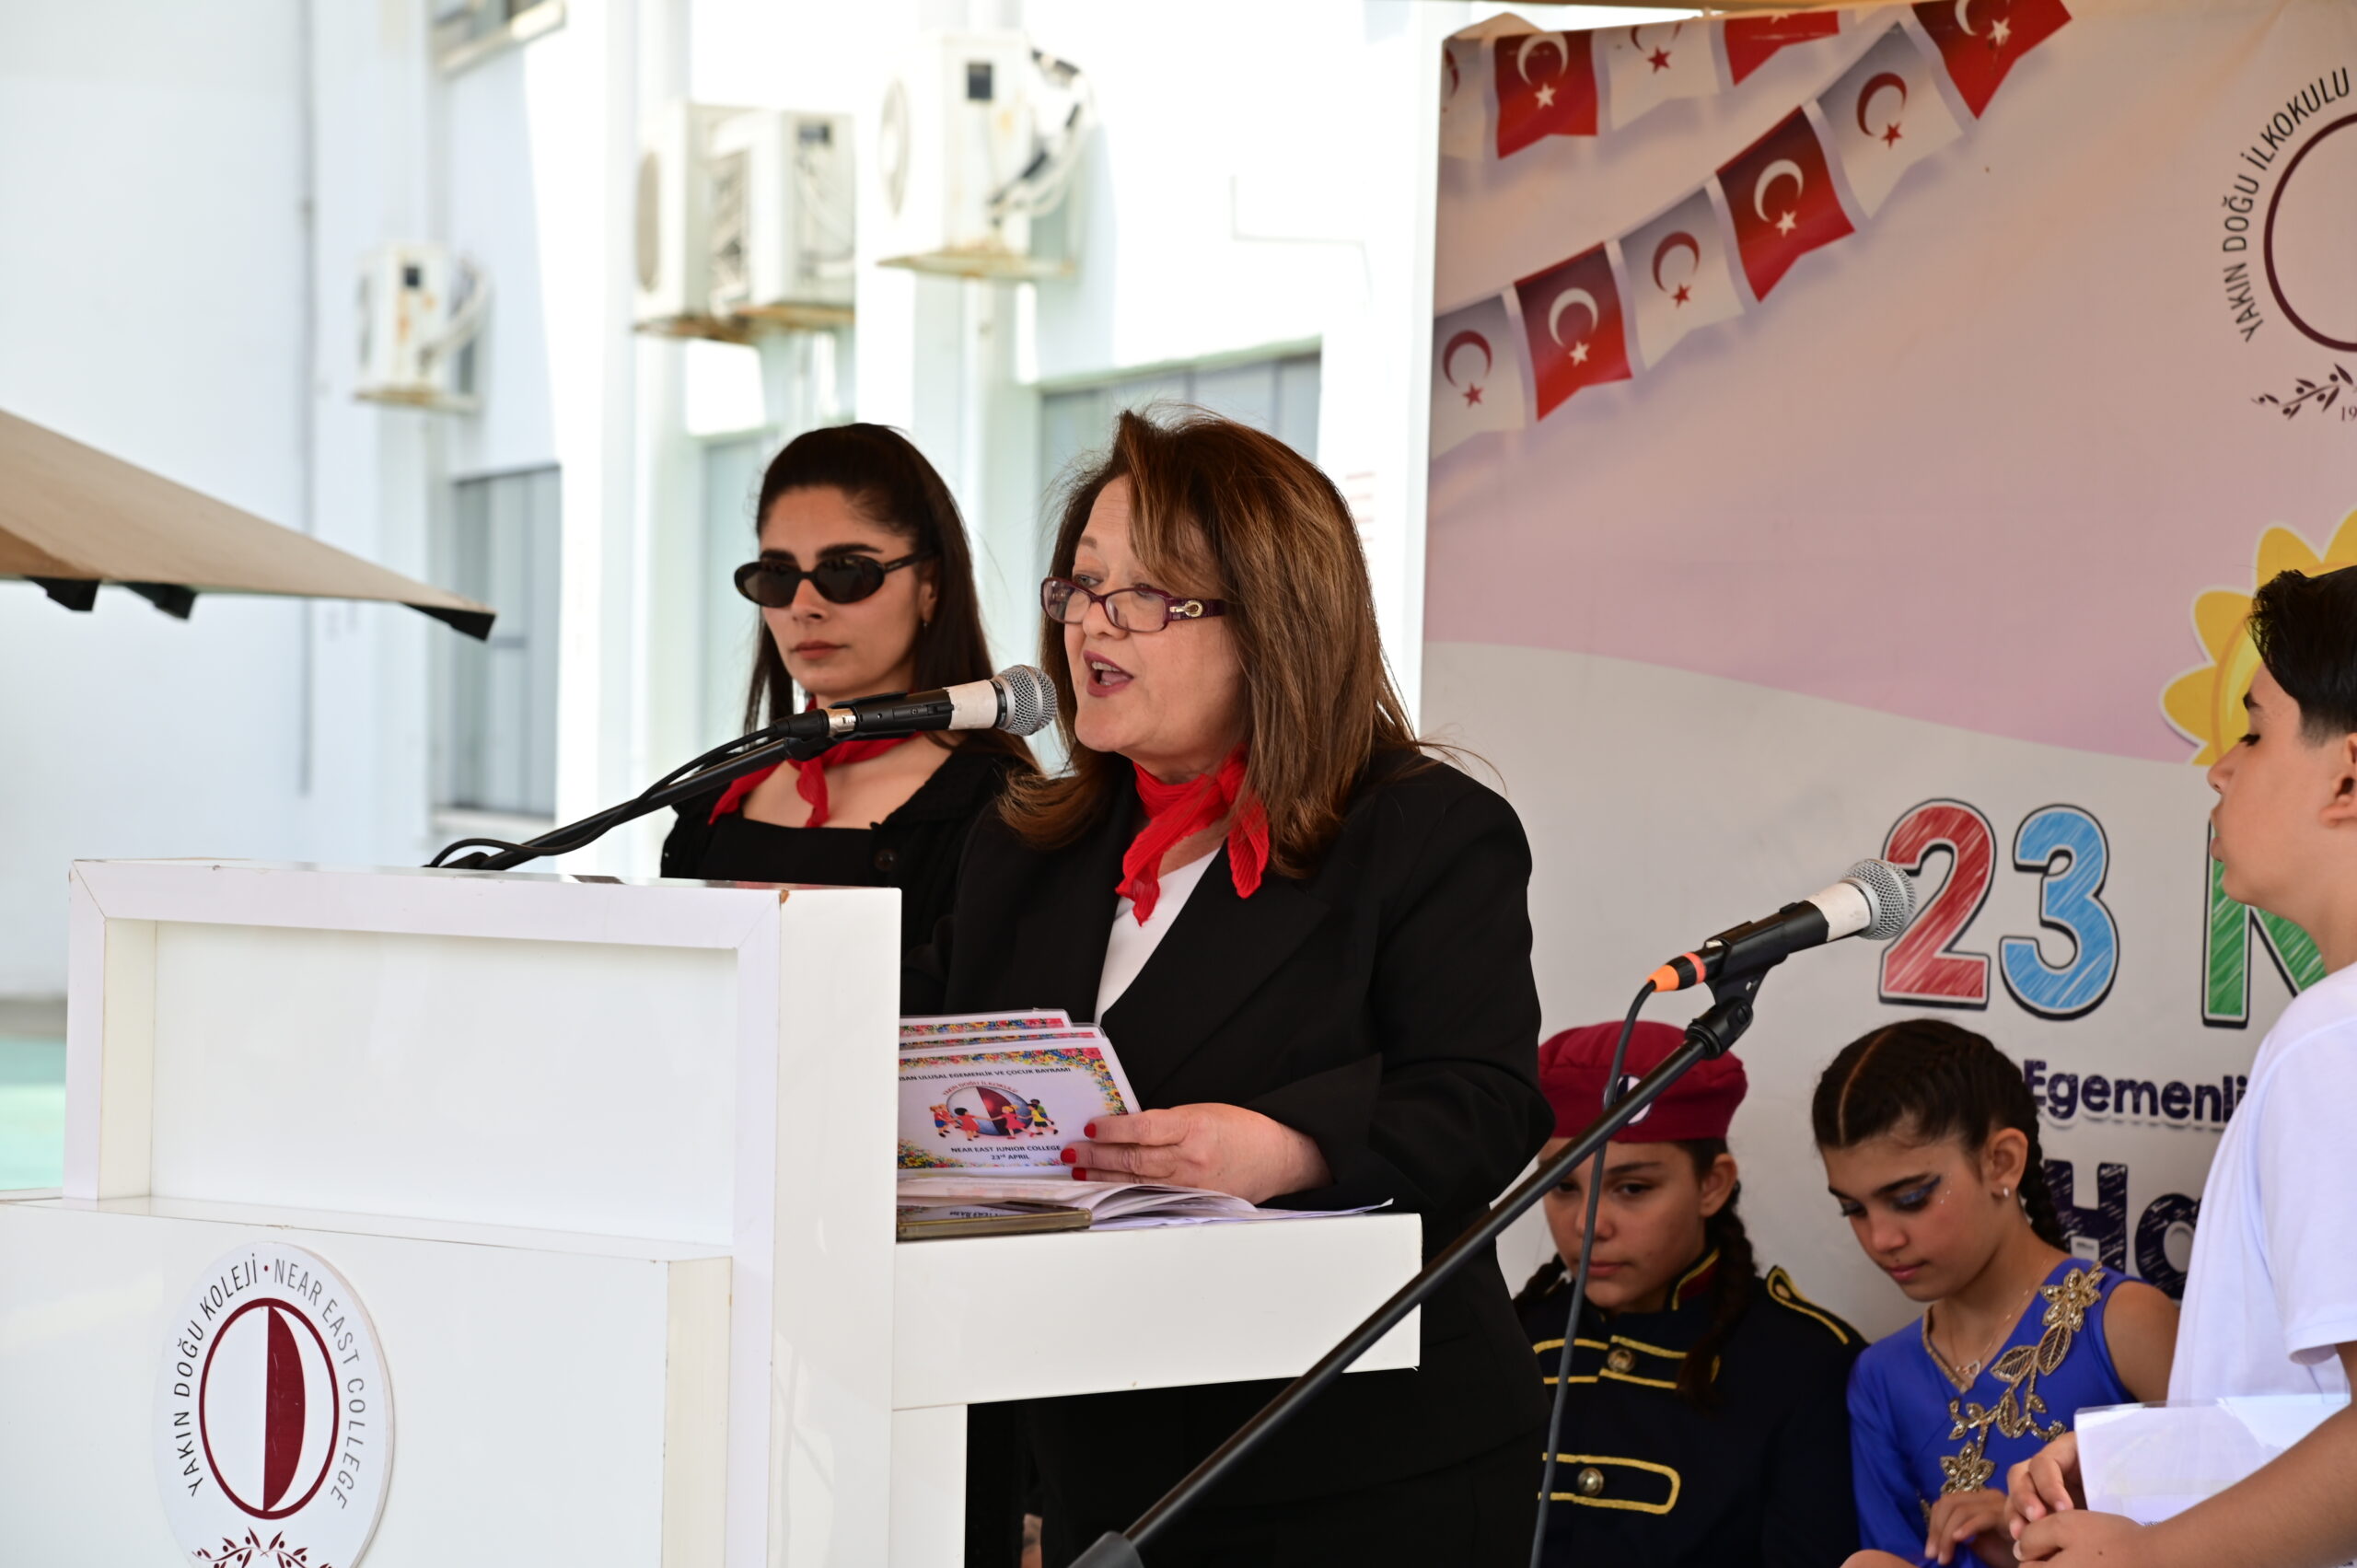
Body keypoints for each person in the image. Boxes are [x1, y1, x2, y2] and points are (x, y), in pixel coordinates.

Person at [904, 407, 1555, 1567]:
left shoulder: (1424, 832)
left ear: (1272, 624)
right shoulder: (1020, 849)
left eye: (1144, 595)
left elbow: (1483, 1102)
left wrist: (1288, 1149)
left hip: (1364, 1471)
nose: (1090, 623)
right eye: (1082, 585)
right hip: (1099, 1462)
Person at [2007, 564, 2357, 1566]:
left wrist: (2153, 1553)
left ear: (2347, 779)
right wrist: (2150, 1469)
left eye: (2254, 730)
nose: (2220, 769)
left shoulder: (2332, 1038)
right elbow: (2321, 1407)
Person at [1816, 1020, 2176, 1568]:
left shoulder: (2123, 1322)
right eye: (1854, 1209)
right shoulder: (1881, 1378)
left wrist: (2030, 1539)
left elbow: (2236, 1526)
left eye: (1910, 1198)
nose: (1881, 1238)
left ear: (2001, 1161)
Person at [660, 423, 1030, 952]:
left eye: (846, 571)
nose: (803, 606)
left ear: (930, 585)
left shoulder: (1000, 808)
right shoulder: (712, 797)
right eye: (778, 574)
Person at [1515, 1021, 1862, 1568]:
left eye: (1632, 1188)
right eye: (1561, 1186)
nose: (1588, 1224)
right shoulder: (1510, 1340)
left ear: (1712, 1185)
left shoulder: (1805, 1363)